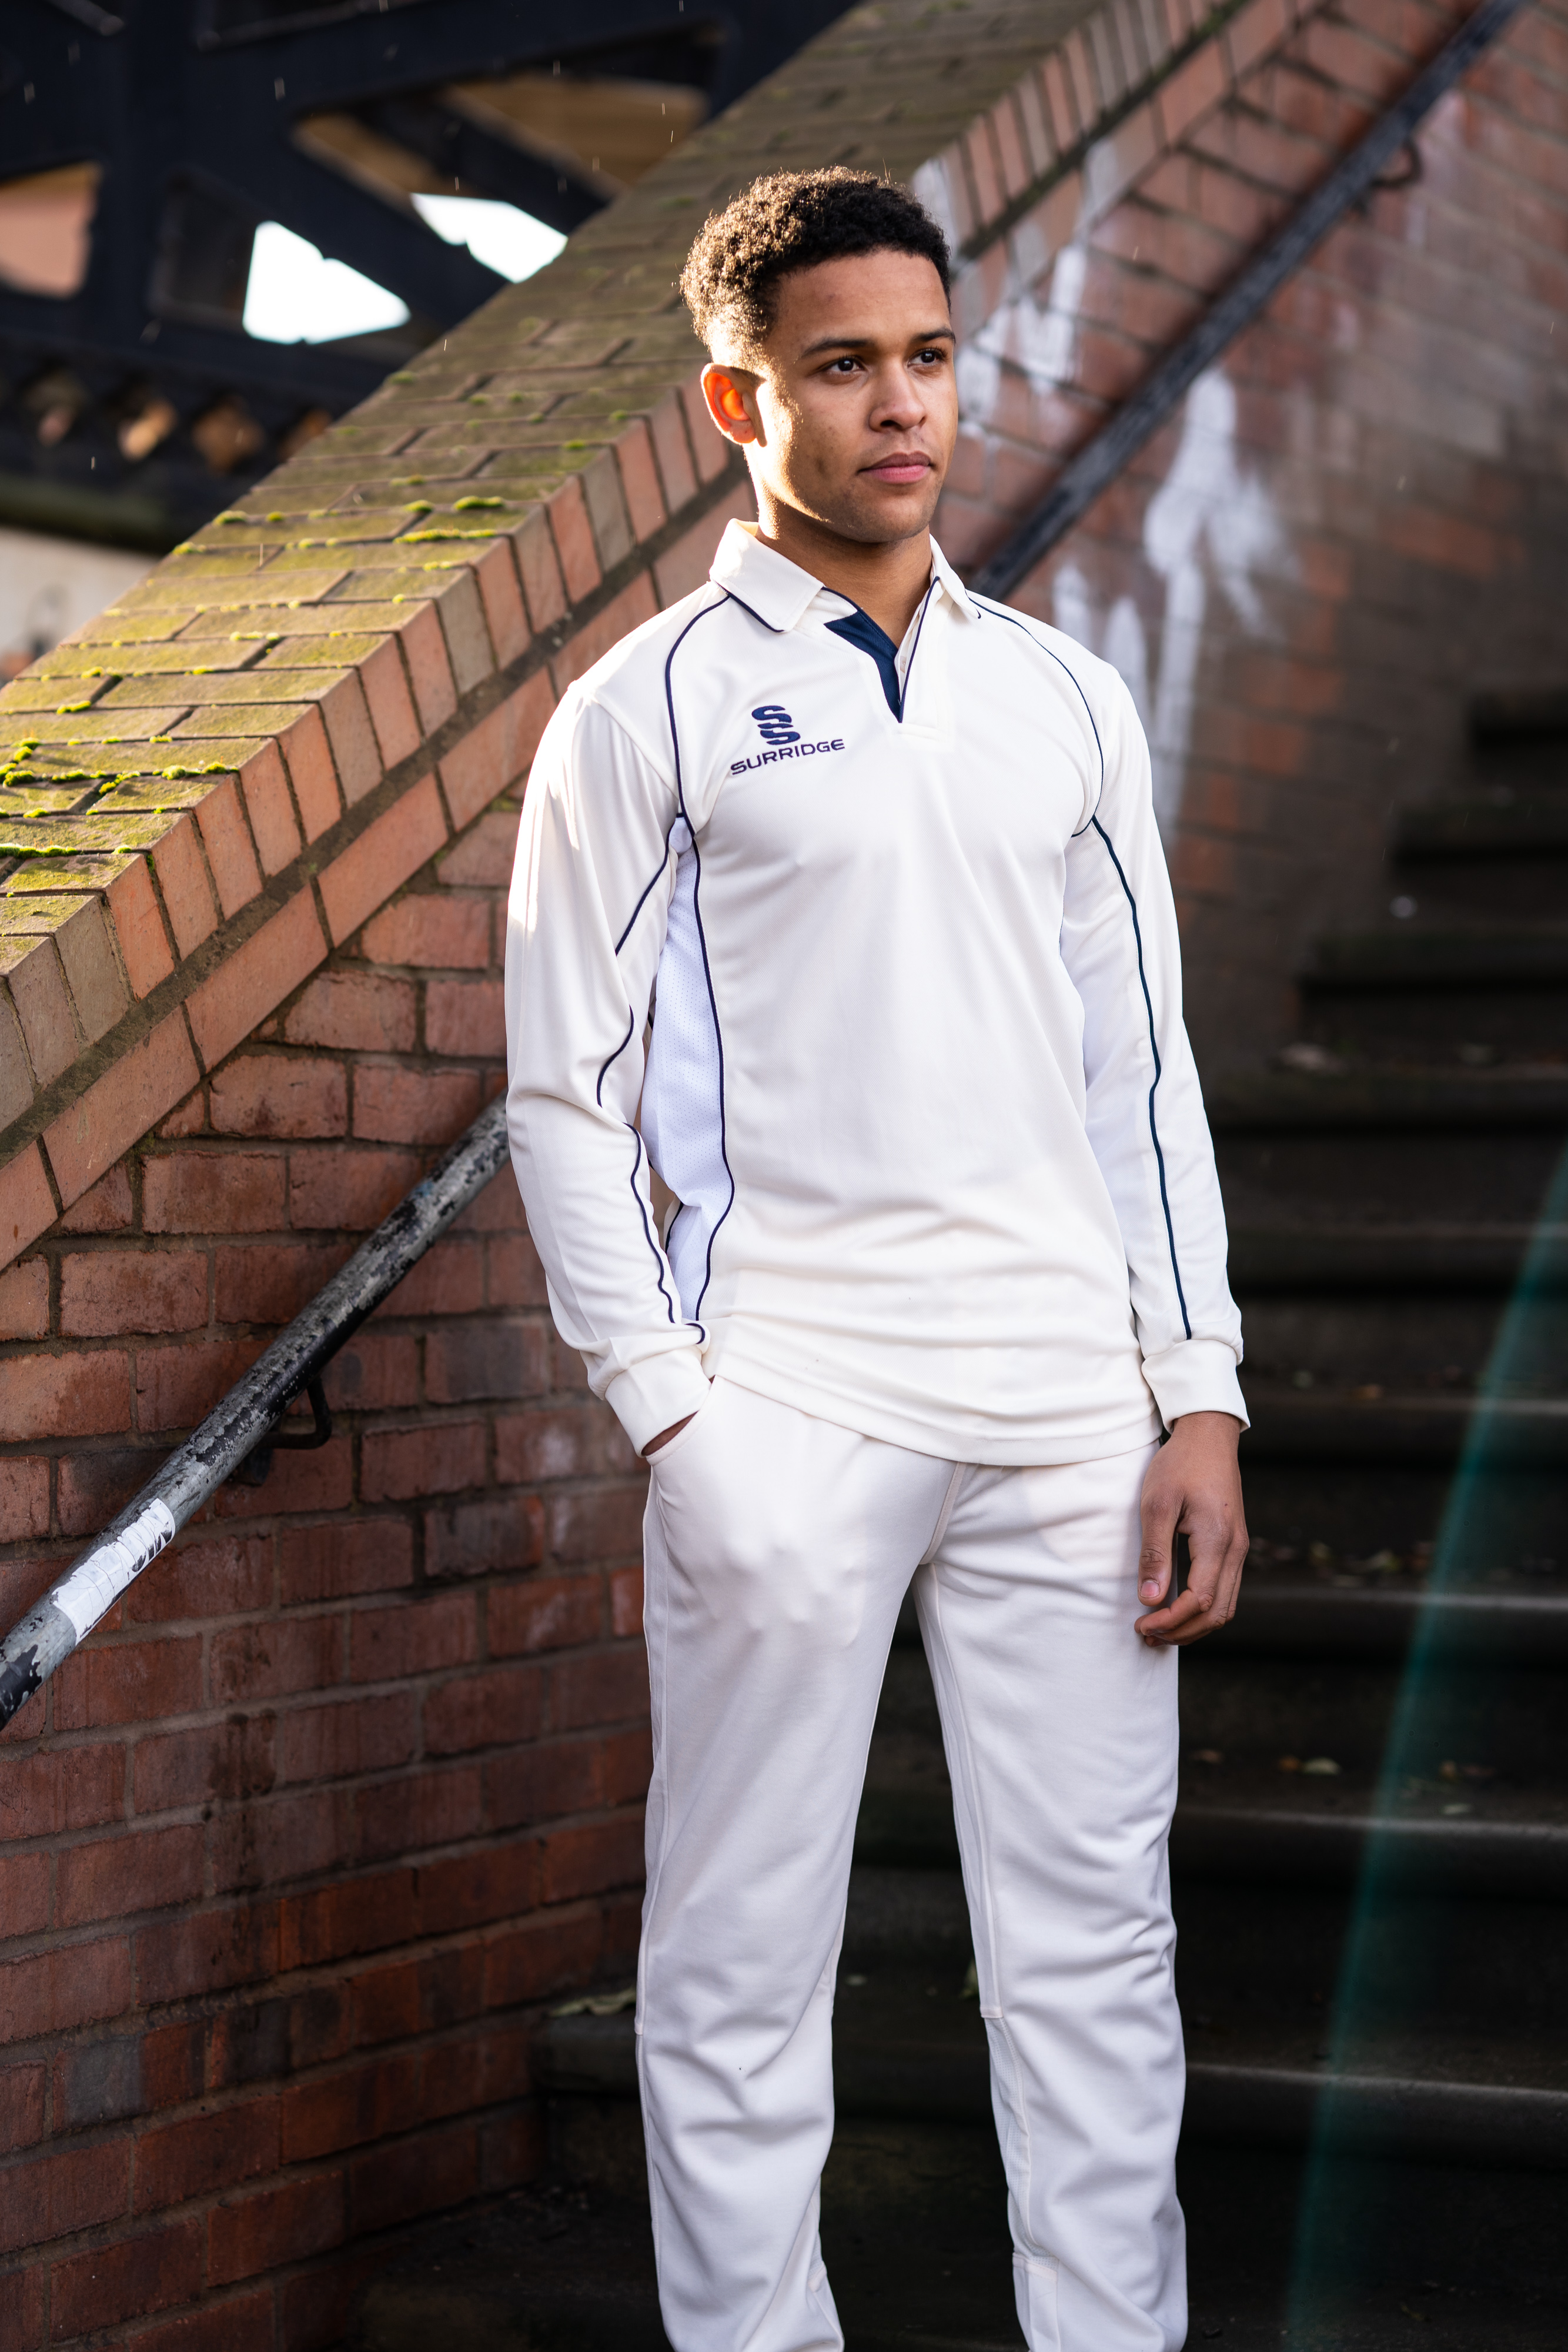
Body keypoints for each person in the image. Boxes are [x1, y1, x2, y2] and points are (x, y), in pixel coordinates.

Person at [504, 166, 1249, 2352]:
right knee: (739, 1966)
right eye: (842, 367)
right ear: (737, 400)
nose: (902, 405)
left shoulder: (1063, 699)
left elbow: (1139, 1074)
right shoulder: (638, 710)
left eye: (926, 357)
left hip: (1067, 1415)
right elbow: (563, 1095)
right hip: (791, 1401)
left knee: (1097, 1964)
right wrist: (674, 1420)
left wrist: (1194, 1390)